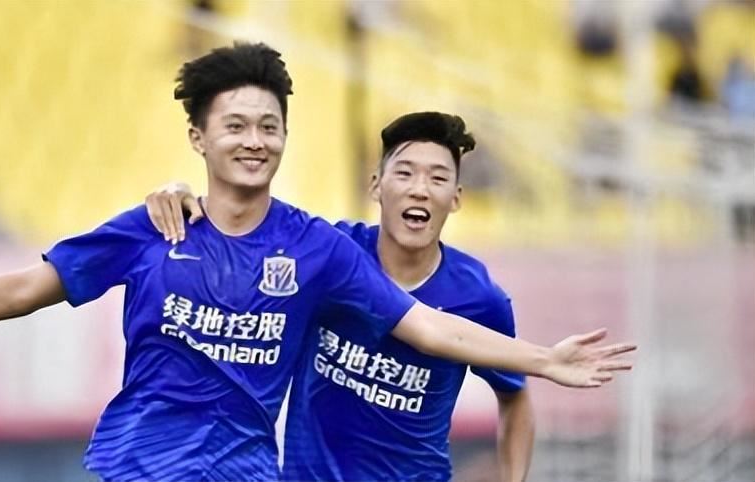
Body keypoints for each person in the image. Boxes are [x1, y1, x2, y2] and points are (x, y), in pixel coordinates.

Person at [0, 42, 635, 482]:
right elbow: (28, 287)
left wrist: (542, 359)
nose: (255, 140)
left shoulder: (317, 250)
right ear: (199, 138)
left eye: (269, 126)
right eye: (236, 125)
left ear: (285, 139)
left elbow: (428, 327)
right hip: (140, 465)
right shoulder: (152, 226)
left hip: (244, 471)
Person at [147, 112, 533, 481]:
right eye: (404, 173)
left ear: (456, 197)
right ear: (376, 186)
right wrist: (183, 196)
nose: (419, 189)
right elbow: (242, 239)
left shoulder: (479, 299)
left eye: (438, 178)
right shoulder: (330, 256)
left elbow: (514, 396)